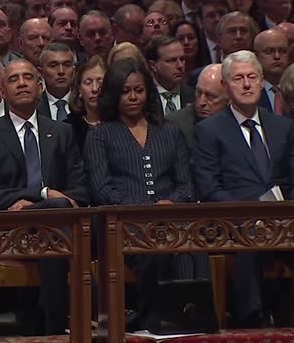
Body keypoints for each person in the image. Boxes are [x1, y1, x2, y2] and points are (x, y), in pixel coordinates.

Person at [84, 58, 206, 329]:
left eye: (138, 90)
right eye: (125, 91)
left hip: (170, 217)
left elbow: (186, 185)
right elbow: (102, 189)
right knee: (155, 248)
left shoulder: (169, 132)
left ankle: (194, 318)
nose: (132, 97)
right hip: (123, 224)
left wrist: (170, 202)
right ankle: (157, 318)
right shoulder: (100, 135)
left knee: (192, 245)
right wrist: (143, 210)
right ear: (114, 94)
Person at [192, 51, 294, 328]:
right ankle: (253, 322)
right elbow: (210, 189)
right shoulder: (209, 131)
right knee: (249, 245)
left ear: (261, 81)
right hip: (238, 225)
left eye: (252, 77)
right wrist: (250, 218)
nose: (246, 84)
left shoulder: (283, 127)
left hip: (286, 222)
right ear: (225, 86)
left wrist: (289, 217)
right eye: (238, 79)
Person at [0, 59, 89, 335]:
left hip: (58, 225)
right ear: (2, 92)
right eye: (14, 79)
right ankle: (59, 324)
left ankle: (52, 321)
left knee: (59, 212)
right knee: (58, 208)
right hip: (12, 228)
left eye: (28, 78)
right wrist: (44, 194)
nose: (22, 83)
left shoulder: (62, 132)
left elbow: (81, 190)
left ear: (40, 88)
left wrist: (41, 201)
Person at [166, 64, 229, 149]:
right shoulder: (176, 125)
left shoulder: (239, 121)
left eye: (211, 96)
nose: (201, 102)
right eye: (198, 93)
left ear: (229, 98)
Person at [145, 36, 196, 117]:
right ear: (153, 65)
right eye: (172, 60)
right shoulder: (144, 98)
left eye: (182, 59)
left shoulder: (193, 96)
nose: (180, 66)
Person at [65, 55, 105, 151]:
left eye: (100, 82)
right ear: (79, 89)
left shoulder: (120, 123)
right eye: (88, 83)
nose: (95, 89)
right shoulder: (68, 128)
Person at [254, 29, 290, 114]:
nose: (277, 56)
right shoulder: (251, 92)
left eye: (282, 51)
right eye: (269, 51)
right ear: (256, 56)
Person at [38, 43, 74, 121]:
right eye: (53, 65)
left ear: (74, 70)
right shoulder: (33, 107)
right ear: (41, 72)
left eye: (67, 65)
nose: (61, 71)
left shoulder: (84, 104)